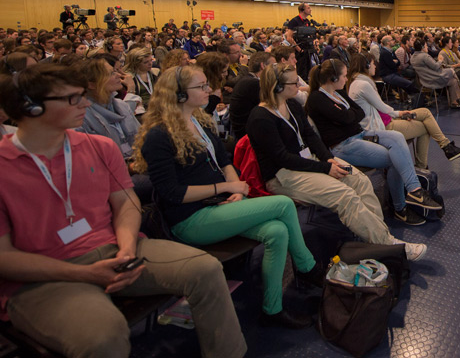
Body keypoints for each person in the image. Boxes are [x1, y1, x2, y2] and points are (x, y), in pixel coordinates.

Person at [0, 64, 246, 358]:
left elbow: (126, 203)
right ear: (32, 107)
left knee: (205, 269)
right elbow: (5, 258)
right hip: (45, 277)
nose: (86, 104)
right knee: (102, 338)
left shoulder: (99, 147)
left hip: (115, 249)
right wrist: (87, 273)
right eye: (73, 99)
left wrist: (126, 249)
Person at [132, 66, 320, 329]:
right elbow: (172, 193)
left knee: (277, 231)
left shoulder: (200, 122)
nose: (209, 90)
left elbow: (223, 160)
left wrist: (233, 187)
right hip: (190, 219)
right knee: (283, 203)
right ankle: (308, 267)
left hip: (218, 206)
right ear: (179, 95)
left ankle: (273, 309)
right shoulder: (159, 136)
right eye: (201, 86)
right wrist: (223, 189)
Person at [246, 63, 427, 260]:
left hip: (308, 163)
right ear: (278, 87)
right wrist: (325, 167)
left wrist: (329, 159)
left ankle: (378, 237)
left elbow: (310, 136)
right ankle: (387, 243)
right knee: (344, 196)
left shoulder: (291, 106)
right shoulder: (260, 118)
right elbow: (283, 158)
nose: (299, 85)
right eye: (294, 82)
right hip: (284, 175)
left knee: (359, 179)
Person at [305, 59, 442, 226]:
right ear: (333, 78)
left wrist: (347, 116)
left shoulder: (338, 93)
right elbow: (348, 116)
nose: (346, 79)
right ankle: (400, 208)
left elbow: (358, 113)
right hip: (343, 146)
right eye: (344, 76)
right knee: (394, 159)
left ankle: (414, 190)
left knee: (397, 137)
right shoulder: (317, 99)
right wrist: (347, 116)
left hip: (360, 134)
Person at [347, 53, 460, 167]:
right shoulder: (363, 85)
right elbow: (382, 107)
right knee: (425, 127)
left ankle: (445, 148)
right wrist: (399, 113)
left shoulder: (359, 83)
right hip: (382, 126)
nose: (375, 66)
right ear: (366, 65)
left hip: (384, 119)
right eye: (373, 63)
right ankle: (429, 161)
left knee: (425, 113)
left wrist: (397, 114)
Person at [229, 52, 276, 140]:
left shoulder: (250, 80)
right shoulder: (253, 84)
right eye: (273, 65)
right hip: (247, 135)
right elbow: (273, 105)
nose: (275, 69)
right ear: (263, 66)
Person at [411, 39, 460, 109]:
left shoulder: (412, 57)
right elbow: (436, 66)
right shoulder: (424, 56)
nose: (427, 47)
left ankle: (454, 101)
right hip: (433, 79)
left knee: (453, 81)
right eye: (426, 46)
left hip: (424, 80)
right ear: (422, 47)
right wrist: (440, 60)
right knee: (451, 71)